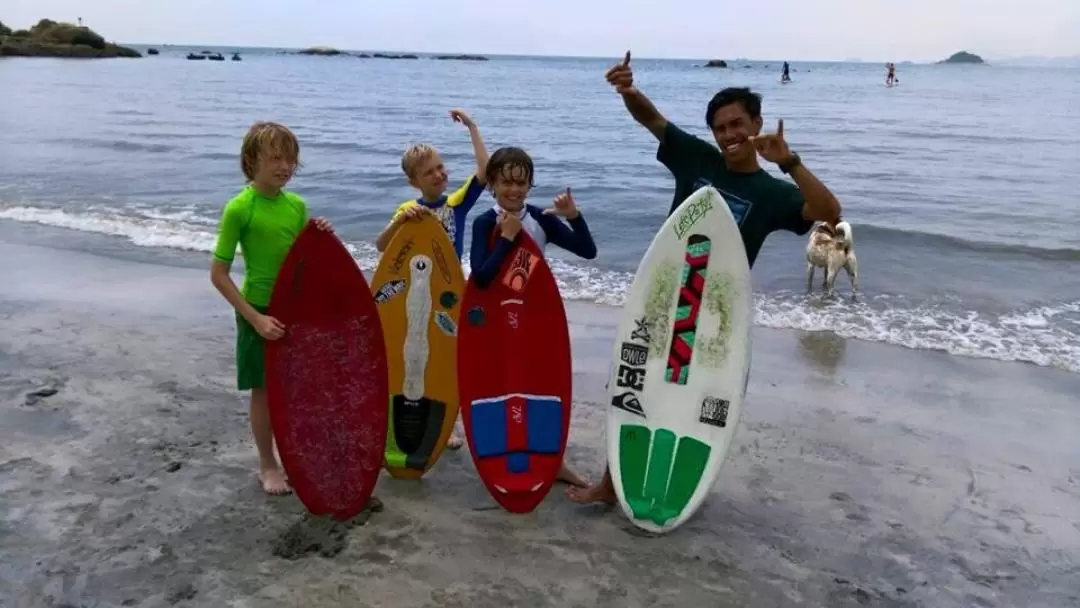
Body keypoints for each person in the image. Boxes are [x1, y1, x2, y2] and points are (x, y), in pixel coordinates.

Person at [567, 51, 842, 506]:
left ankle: (681, 484)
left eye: (738, 124)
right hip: (662, 299)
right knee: (636, 383)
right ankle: (610, 484)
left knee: (700, 397)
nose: (730, 134)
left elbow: (830, 213)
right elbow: (651, 119)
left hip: (716, 314)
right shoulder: (696, 158)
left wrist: (789, 161)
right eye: (721, 127)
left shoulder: (774, 193)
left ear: (756, 123)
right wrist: (628, 90)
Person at [210, 121, 334, 496]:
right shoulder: (240, 209)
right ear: (252, 161)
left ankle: (295, 456)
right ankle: (268, 464)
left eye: (291, 160)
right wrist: (256, 318)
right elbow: (218, 275)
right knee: (263, 391)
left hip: (294, 308)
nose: (284, 167)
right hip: (258, 309)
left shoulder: (296, 206)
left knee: (296, 389)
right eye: (276, 158)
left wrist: (320, 236)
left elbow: (303, 262)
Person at [469, 146, 598, 487]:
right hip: (497, 319)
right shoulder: (485, 223)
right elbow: (481, 278)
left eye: (521, 182)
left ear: (530, 184)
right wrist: (507, 239)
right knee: (505, 386)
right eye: (506, 182)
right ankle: (502, 454)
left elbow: (588, 251)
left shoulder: (541, 219)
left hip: (536, 316)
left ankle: (554, 462)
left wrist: (573, 216)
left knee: (544, 386)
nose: (514, 190)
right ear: (492, 184)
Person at [375, 108, 490, 449]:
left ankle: (447, 424)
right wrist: (400, 222)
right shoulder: (406, 212)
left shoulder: (455, 205)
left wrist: (472, 127)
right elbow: (382, 248)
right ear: (414, 182)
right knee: (413, 353)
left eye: (440, 167)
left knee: (448, 356)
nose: (439, 175)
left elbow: (484, 173)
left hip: (451, 295)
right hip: (416, 292)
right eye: (429, 172)